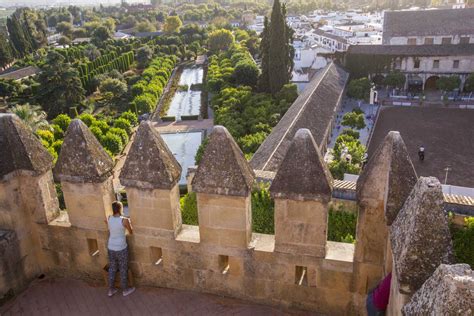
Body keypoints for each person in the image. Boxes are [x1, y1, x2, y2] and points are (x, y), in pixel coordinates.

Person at [107, 201, 135, 297]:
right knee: (123, 268)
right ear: (120, 208)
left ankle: (110, 290)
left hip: (111, 246)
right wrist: (129, 223)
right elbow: (130, 232)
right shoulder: (124, 220)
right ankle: (125, 290)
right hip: (121, 248)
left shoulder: (109, 218)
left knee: (112, 268)